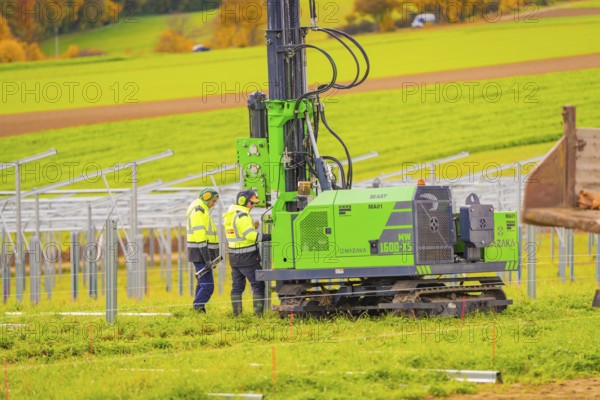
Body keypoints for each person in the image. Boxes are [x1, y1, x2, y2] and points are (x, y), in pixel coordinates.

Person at [223, 190, 270, 316]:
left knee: (237, 287)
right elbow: (250, 236)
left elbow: (238, 234)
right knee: (258, 285)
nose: (253, 206)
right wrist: (268, 236)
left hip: (234, 257)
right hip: (247, 257)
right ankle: (258, 315)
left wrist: (252, 227)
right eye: (252, 203)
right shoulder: (242, 216)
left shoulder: (231, 215)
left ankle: (237, 314)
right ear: (243, 201)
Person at [186, 188, 220, 313]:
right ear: (207, 198)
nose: (214, 204)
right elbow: (200, 237)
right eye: (213, 201)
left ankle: (199, 310)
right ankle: (197, 308)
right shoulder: (198, 211)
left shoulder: (202, 211)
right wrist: (207, 258)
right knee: (208, 286)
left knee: (202, 284)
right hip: (200, 254)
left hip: (201, 254)